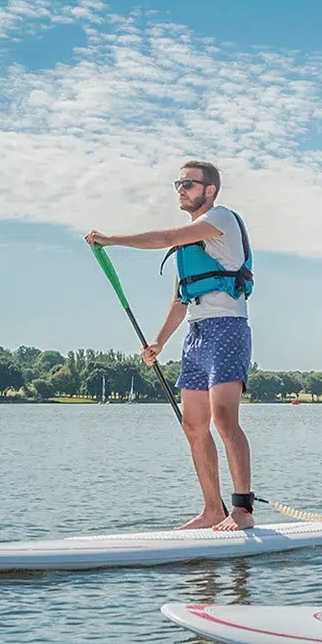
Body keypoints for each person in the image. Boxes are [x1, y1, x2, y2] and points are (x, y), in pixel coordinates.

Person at [86, 160, 257, 530]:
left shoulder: (222, 218)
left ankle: (242, 510)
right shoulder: (189, 249)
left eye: (188, 184)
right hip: (195, 336)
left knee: (226, 421)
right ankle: (212, 509)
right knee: (194, 425)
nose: (180, 189)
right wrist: (159, 342)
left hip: (228, 328)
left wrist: (113, 240)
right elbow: (180, 300)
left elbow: (165, 238)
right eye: (178, 183)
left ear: (209, 190)